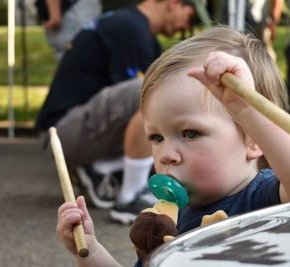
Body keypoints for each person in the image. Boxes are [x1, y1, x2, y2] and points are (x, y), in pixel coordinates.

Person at [56, 26, 290, 267]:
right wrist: (89, 252)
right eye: (157, 138)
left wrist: (247, 109)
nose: (166, 155)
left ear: (252, 139)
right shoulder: (164, 224)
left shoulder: (262, 199)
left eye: (189, 133)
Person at [36, 0, 207, 223]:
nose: (187, 27)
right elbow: (146, 106)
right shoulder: (130, 29)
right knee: (152, 91)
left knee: (156, 93)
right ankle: (131, 196)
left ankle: (101, 168)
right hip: (63, 134)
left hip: (70, 131)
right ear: (173, 3)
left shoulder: (133, 25)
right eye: (191, 17)